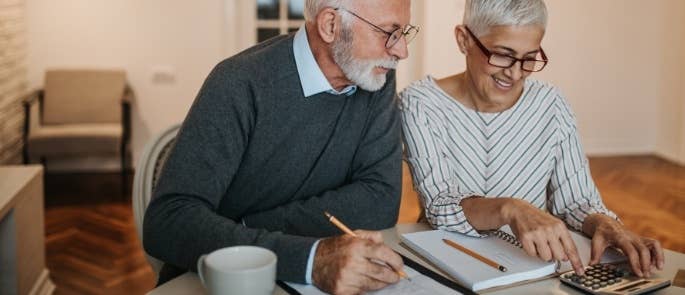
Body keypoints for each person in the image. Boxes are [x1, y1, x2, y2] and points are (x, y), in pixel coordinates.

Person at [143, 0, 419, 293]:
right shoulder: (238, 83)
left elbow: (380, 202)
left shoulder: (375, 76)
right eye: (389, 32)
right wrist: (310, 259)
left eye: (404, 32)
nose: (401, 51)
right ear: (330, 25)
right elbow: (167, 221)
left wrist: (246, 228)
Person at [399, 0, 664, 278]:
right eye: (502, 55)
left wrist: (604, 223)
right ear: (463, 39)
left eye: (529, 58)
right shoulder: (421, 104)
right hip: (450, 262)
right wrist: (509, 209)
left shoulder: (551, 104)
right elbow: (440, 206)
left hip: (532, 267)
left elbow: (576, 201)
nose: (515, 73)